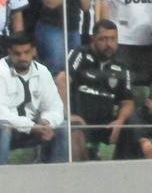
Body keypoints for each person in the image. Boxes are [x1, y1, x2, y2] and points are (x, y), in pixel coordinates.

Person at [0, 33, 69, 165]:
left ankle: (56, 177)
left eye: (26, 52)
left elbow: (55, 107)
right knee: (3, 127)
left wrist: (46, 122)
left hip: (27, 126)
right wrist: (32, 126)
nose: (23, 57)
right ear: (9, 52)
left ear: (34, 51)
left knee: (62, 127)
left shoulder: (42, 72)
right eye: (17, 54)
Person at [54, 19, 133, 160]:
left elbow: (128, 102)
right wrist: (67, 114)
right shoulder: (80, 54)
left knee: (130, 127)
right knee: (74, 128)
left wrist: (120, 120)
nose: (109, 44)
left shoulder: (121, 66)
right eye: (103, 39)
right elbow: (61, 80)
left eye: (113, 39)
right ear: (93, 39)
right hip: (81, 121)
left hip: (106, 124)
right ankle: (81, 174)